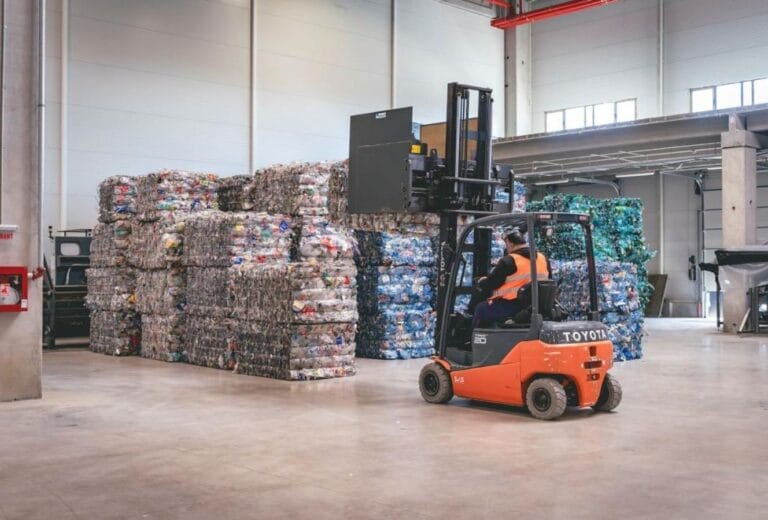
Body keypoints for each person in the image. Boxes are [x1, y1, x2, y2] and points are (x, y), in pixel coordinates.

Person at [470, 227, 551, 328]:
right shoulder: (543, 259)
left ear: (510, 243)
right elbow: (549, 281)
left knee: (481, 308)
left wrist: (481, 281)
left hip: (511, 306)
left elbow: (491, 283)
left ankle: (471, 342)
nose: (506, 248)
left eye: (506, 244)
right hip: (535, 306)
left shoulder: (509, 261)